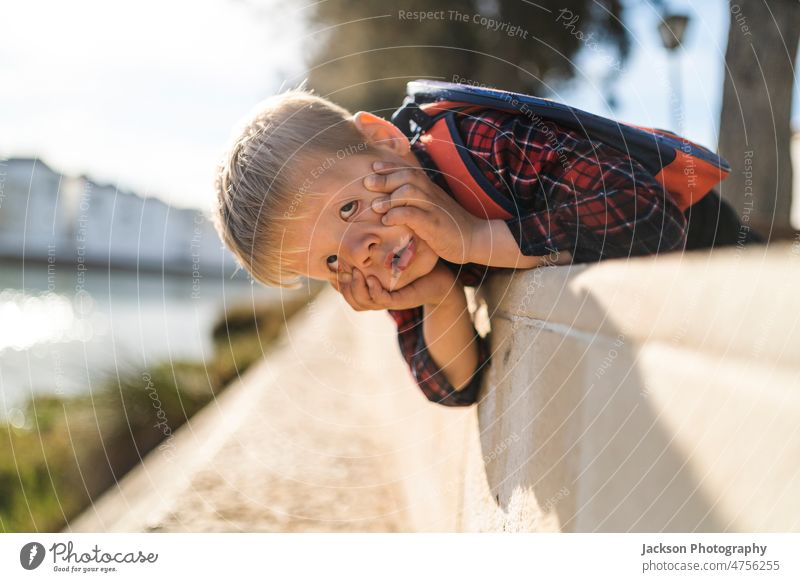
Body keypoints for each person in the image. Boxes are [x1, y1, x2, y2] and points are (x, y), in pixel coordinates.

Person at [212, 86, 760, 407]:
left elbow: (647, 217)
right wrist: (439, 296)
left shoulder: (483, 142)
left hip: (721, 249)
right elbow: (455, 388)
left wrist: (477, 239)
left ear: (384, 141)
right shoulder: (401, 256)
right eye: (331, 261)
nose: (361, 253)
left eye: (350, 209)